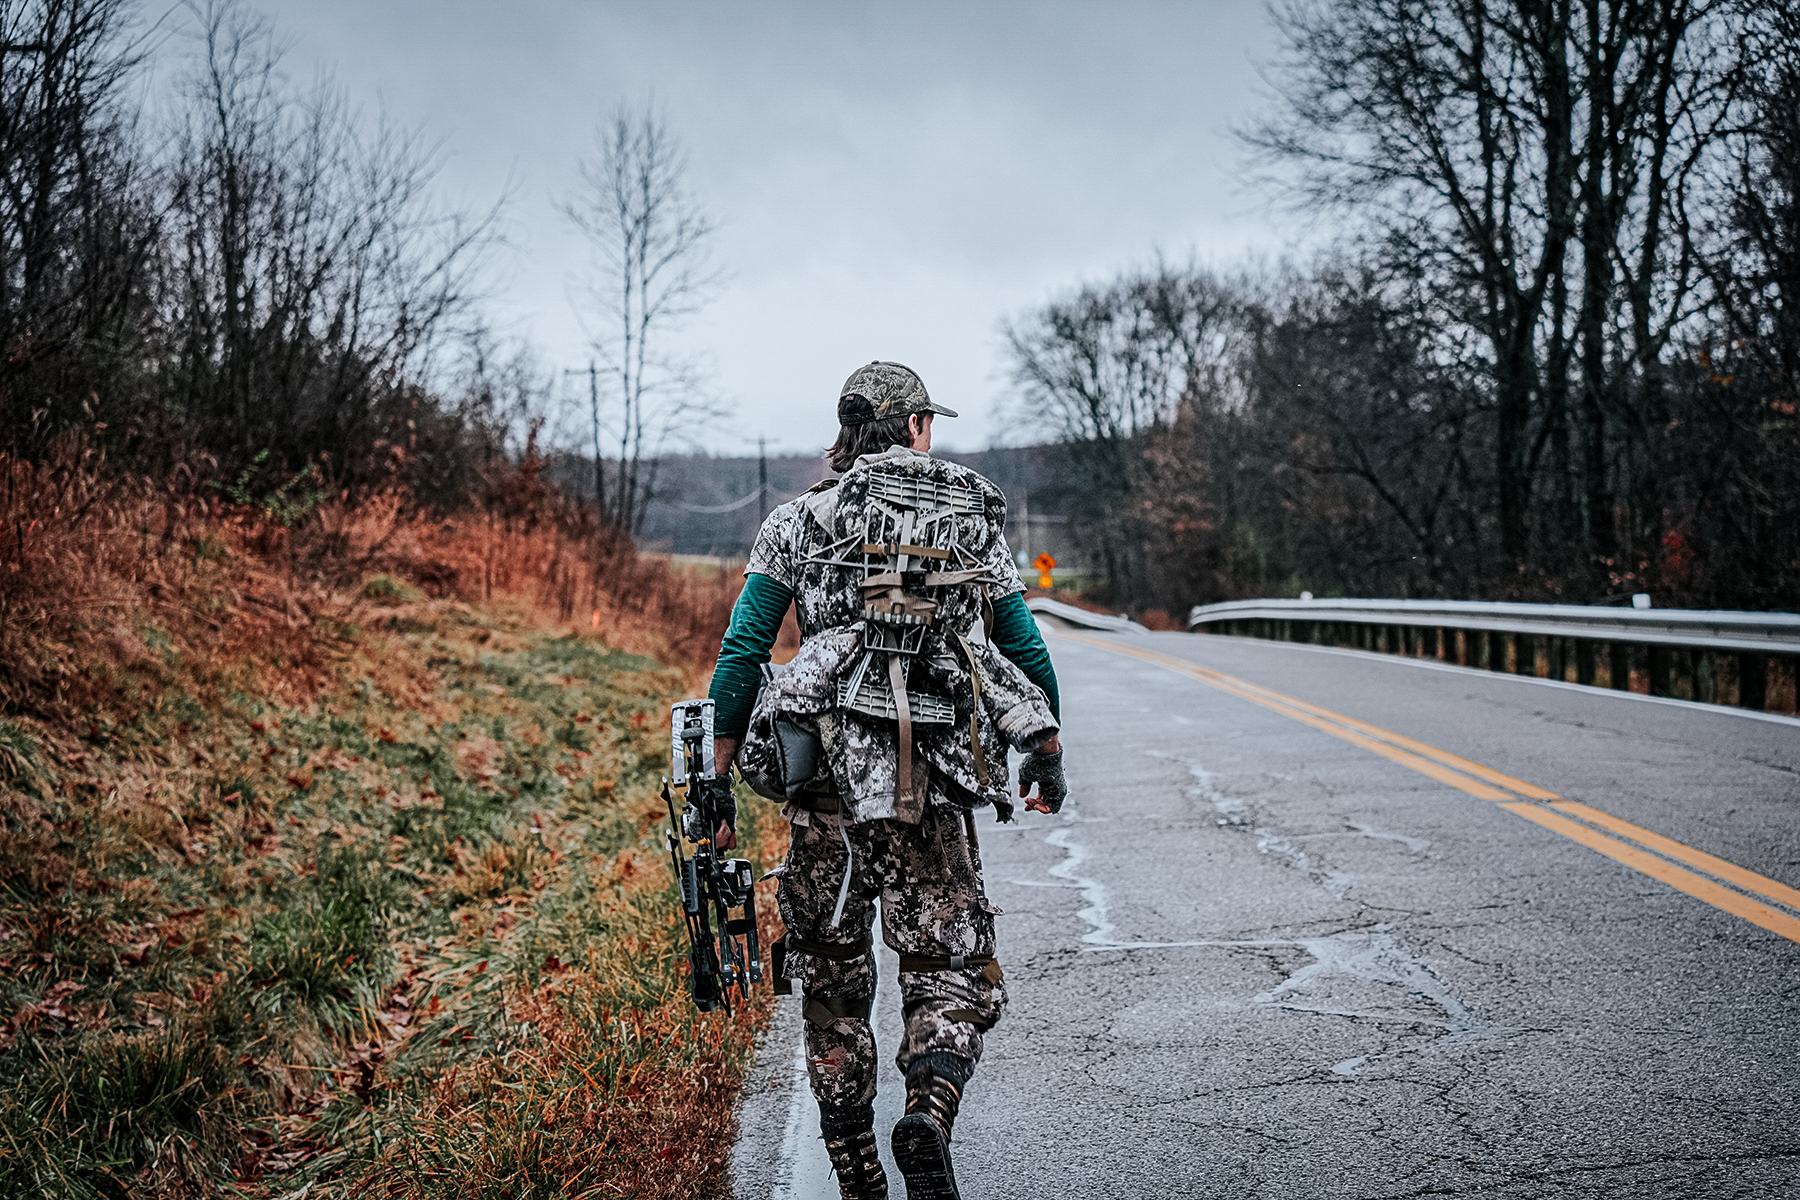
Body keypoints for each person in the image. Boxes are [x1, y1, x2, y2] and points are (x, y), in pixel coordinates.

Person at [708, 361, 1067, 1200]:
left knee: (831, 986)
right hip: (929, 794)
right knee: (948, 963)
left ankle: (857, 1170)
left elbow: (743, 652)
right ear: (913, 426)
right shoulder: (965, 517)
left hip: (823, 803)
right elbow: (1020, 643)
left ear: (848, 432)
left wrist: (717, 782)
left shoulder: (795, 521)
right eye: (926, 423)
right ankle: (929, 1111)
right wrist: (1045, 749)